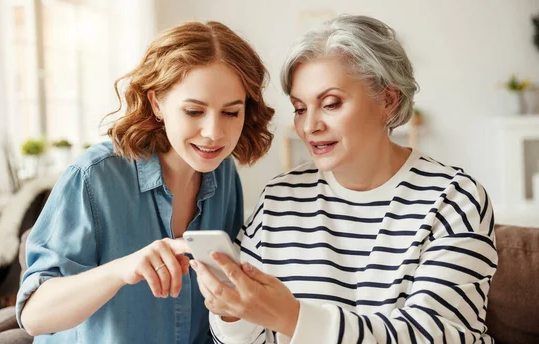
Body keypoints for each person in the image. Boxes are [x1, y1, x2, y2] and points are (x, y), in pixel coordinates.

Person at [192, 14, 497, 343]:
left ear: (387, 100)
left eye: (331, 103)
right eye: (299, 108)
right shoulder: (280, 198)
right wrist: (231, 312)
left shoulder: (454, 200)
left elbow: (439, 336)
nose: (310, 126)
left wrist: (290, 318)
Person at [15, 20, 274, 343]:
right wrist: (122, 270)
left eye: (231, 113)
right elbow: (34, 315)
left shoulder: (224, 176)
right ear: (157, 103)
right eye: (194, 111)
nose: (214, 133)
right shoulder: (94, 176)